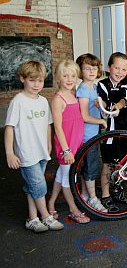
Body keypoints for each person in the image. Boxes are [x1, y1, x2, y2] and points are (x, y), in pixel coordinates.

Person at [4, 60, 64, 232]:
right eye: (32, 80)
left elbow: (48, 125)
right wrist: (10, 153)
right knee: (39, 185)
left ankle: (32, 218)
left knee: (33, 185)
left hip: (41, 151)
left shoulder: (43, 101)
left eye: (40, 80)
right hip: (26, 152)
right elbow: (9, 128)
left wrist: (49, 144)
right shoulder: (18, 101)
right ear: (22, 79)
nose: (37, 84)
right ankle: (46, 216)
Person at [97, 52, 127, 208]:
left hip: (124, 127)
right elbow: (104, 100)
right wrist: (108, 105)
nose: (120, 72)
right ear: (109, 67)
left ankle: (117, 189)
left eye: (124, 69)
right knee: (107, 162)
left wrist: (119, 104)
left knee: (121, 161)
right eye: (116, 68)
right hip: (108, 129)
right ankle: (105, 195)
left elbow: (126, 98)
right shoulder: (102, 84)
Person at [47, 60, 90, 224]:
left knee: (61, 174)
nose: (69, 79)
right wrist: (66, 150)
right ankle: (74, 210)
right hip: (66, 147)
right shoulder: (58, 100)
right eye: (65, 75)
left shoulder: (72, 95)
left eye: (72, 75)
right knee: (68, 179)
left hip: (75, 143)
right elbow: (57, 128)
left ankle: (51, 203)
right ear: (58, 78)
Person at [76, 53, 108, 212]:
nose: (91, 71)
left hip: (92, 134)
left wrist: (102, 112)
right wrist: (101, 121)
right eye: (87, 68)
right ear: (80, 71)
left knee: (89, 165)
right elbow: (84, 116)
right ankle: (93, 198)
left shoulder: (94, 87)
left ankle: (84, 194)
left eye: (94, 68)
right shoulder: (83, 89)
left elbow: (95, 109)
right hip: (87, 135)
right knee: (92, 166)